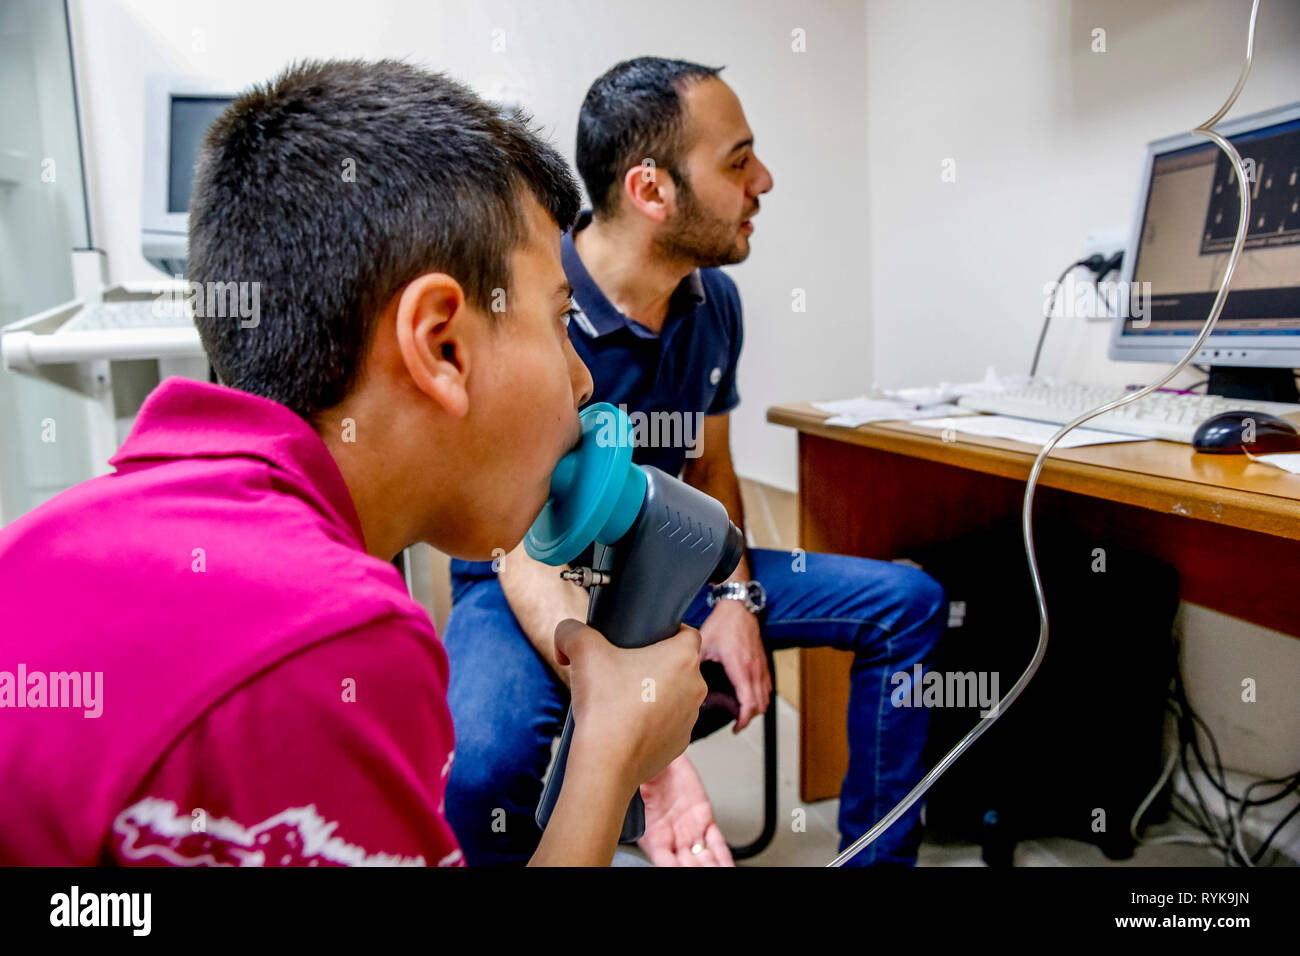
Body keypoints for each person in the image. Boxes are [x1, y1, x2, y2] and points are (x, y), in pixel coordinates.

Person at [0, 58, 707, 867]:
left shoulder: (57, 532)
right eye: (557, 321)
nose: (582, 381)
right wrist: (610, 755)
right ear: (441, 342)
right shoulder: (329, 637)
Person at [445, 57, 947, 867]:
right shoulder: (536, 308)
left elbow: (712, 473)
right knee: (483, 766)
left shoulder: (715, 301)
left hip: (678, 560)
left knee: (908, 601)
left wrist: (737, 594)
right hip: (533, 574)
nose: (765, 180)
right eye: (738, 160)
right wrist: (637, 729)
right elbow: (518, 541)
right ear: (652, 191)